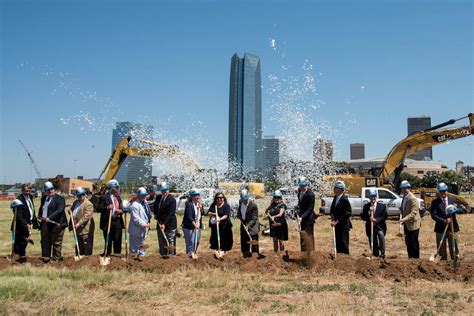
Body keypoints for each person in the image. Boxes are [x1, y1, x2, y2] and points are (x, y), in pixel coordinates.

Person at [38, 181, 67, 262]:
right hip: (45, 224)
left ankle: (56, 259)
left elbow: (59, 210)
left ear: (54, 189)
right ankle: (45, 257)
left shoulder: (60, 199)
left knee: (56, 241)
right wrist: (39, 216)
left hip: (57, 224)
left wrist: (49, 217)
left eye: (51, 189)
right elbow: (42, 208)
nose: (50, 191)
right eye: (48, 190)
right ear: (45, 191)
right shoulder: (44, 198)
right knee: (45, 240)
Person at [430, 182, 459, 260]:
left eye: (444, 191)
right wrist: (444, 221)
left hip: (453, 227)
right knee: (442, 250)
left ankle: (455, 262)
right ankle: (443, 265)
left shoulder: (453, 200)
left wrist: (457, 209)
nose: (443, 193)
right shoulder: (435, 202)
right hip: (440, 228)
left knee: (454, 247)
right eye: (441, 191)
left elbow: (461, 210)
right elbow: (433, 215)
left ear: (447, 190)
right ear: (438, 192)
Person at [98, 179, 125, 256]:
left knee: (117, 240)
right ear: (111, 188)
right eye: (116, 187)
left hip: (117, 222)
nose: (118, 189)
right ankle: (107, 254)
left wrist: (121, 211)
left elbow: (122, 208)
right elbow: (98, 208)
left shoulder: (118, 197)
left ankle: (117, 255)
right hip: (108, 222)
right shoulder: (104, 197)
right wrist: (107, 207)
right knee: (108, 239)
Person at [13, 184, 38, 260]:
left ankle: (21, 256)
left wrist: (34, 221)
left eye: (29, 191)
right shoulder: (19, 200)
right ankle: (18, 257)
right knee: (20, 242)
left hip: (29, 223)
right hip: (20, 225)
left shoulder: (30, 197)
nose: (28, 192)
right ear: (22, 190)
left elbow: (31, 209)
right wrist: (25, 224)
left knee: (25, 242)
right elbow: (18, 216)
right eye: (26, 191)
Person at [361, 189, 387, 258]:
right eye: (371, 196)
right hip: (370, 227)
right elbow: (363, 217)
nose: (373, 198)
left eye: (374, 196)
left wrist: (376, 220)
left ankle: (382, 252)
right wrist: (369, 217)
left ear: (376, 197)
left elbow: (384, 216)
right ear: (369, 197)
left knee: (381, 235)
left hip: (379, 226)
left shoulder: (382, 206)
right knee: (373, 240)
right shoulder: (366, 206)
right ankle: (376, 254)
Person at [68, 187, 95, 256]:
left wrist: (78, 224)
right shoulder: (76, 202)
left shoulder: (88, 204)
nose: (82, 196)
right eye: (79, 195)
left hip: (85, 229)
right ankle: (79, 259)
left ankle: (87, 261)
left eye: (83, 194)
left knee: (86, 245)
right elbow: (73, 211)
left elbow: (86, 217)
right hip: (76, 228)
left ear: (85, 194)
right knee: (78, 246)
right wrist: (70, 211)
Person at [153, 182, 177, 256]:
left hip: (169, 225)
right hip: (160, 224)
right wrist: (158, 221)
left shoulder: (172, 200)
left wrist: (164, 224)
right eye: (163, 190)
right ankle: (162, 258)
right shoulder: (158, 198)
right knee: (162, 242)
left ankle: (171, 258)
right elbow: (155, 210)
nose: (164, 192)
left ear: (168, 190)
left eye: (166, 190)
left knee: (170, 242)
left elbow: (171, 214)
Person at [399, 180, 421, 259]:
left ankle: (415, 259)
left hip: (413, 224)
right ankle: (410, 258)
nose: (401, 190)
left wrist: (404, 219)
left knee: (414, 243)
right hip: (407, 224)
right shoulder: (405, 197)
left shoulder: (412, 198)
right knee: (408, 242)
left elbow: (414, 212)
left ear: (406, 189)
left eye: (402, 189)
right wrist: (401, 209)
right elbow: (404, 208)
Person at [129, 187, 151, 261]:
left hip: (143, 230)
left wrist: (147, 223)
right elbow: (135, 218)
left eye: (145, 195)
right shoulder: (134, 205)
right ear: (138, 195)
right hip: (136, 230)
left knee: (142, 248)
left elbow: (147, 214)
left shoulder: (145, 202)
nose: (144, 196)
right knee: (134, 249)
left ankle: (141, 263)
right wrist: (144, 224)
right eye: (142, 195)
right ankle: (132, 265)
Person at [330, 181, 352, 254]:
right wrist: (332, 215)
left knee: (343, 243)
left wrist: (338, 221)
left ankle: (345, 259)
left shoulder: (344, 199)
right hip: (337, 225)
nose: (334, 189)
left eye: (335, 188)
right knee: (338, 242)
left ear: (340, 189)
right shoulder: (335, 197)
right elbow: (333, 208)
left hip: (343, 225)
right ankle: (338, 257)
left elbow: (348, 212)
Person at [237, 189, 260, 258]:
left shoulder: (253, 205)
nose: (245, 201)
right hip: (244, 222)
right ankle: (245, 252)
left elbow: (254, 218)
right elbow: (239, 211)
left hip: (253, 224)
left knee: (253, 238)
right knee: (244, 238)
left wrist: (248, 226)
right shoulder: (240, 202)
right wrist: (239, 215)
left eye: (246, 199)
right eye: (243, 199)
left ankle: (255, 253)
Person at [296, 176, 316, 251]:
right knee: (302, 235)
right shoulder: (299, 191)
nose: (301, 187)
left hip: (308, 219)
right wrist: (297, 212)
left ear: (306, 185)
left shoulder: (311, 195)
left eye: (303, 185)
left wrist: (302, 217)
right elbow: (300, 204)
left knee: (309, 236)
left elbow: (310, 209)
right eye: (300, 185)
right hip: (302, 219)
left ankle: (311, 252)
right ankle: (303, 251)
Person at [182, 189, 203, 257]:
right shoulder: (189, 205)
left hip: (197, 226)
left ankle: (193, 253)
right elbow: (189, 216)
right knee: (191, 243)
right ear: (191, 197)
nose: (197, 197)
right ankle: (189, 256)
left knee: (197, 242)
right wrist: (194, 224)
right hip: (189, 227)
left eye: (197, 195)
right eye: (195, 195)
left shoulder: (199, 204)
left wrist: (201, 207)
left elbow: (203, 213)